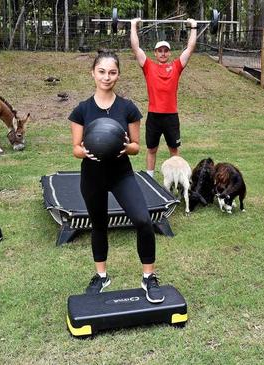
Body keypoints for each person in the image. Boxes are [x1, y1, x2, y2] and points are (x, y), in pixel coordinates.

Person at [69, 50, 164, 303]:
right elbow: (76, 148)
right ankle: (101, 276)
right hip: (92, 176)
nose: (106, 77)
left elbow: (135, 146)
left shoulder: (128, 108)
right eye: (102, 71)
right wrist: (86, 152)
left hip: (121, 174)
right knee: (98, 225)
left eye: (112, 72)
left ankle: (148, 278)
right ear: (93, 73)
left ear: (118, 75)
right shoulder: (82, 110)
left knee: (143, 220)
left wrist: (125, 148)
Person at [130, 17, 198, 178]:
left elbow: (189, 48)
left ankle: (176, 180)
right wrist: (133, 25)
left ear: (169, 53)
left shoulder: (176, 66)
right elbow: (136, 47)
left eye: (165, 50)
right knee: (151, 149)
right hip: (154, 116)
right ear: (155, 53)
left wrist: (194, 27)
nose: (162, 53)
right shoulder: (148, 66)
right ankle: (150, 179)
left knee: (174, 150)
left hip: (171, 116)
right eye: (159, 50)